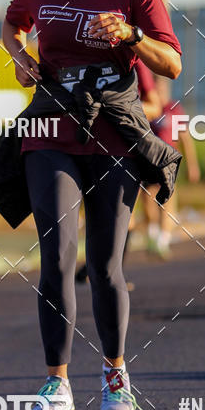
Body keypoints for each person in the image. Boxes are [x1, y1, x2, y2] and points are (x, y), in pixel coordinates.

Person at [0, 0, 182, 410]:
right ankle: (57, 383)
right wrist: (20, 54)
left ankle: (116, 375)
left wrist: (129, 36)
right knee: (55, 255)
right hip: (51, 132)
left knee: (104, 266)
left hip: (112, 138)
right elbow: (12, 26)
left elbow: (171, 63)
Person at [74, 58, 162, 285]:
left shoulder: (134, 62)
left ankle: (113, 272)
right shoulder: (76, 55)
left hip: (122, 149)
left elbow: (155, 106)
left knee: (123, 214)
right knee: (87, 212)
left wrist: (115, 107)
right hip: (83, 146)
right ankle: (93, 264)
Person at [143, 75, 200, 259]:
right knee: (147, 199)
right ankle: (152, 235)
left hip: (168, 161)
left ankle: (163, 241)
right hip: (148, 160)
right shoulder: (148, 108)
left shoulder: (174, 109)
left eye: (162, 89)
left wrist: (193, 165)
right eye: (156, 89)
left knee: (166, 201)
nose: (159, 92)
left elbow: (185, 139)